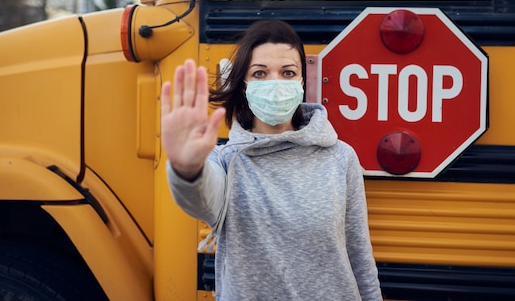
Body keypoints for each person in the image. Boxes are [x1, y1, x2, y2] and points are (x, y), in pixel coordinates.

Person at [160, 19, 382, 300]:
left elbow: (360, 256)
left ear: (302, 81)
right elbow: (200, 196)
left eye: (288, 73)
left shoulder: (340, 157)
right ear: (243, 84)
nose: (275, 83)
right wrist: (187, 169)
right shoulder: (227, 161)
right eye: (260, 73)